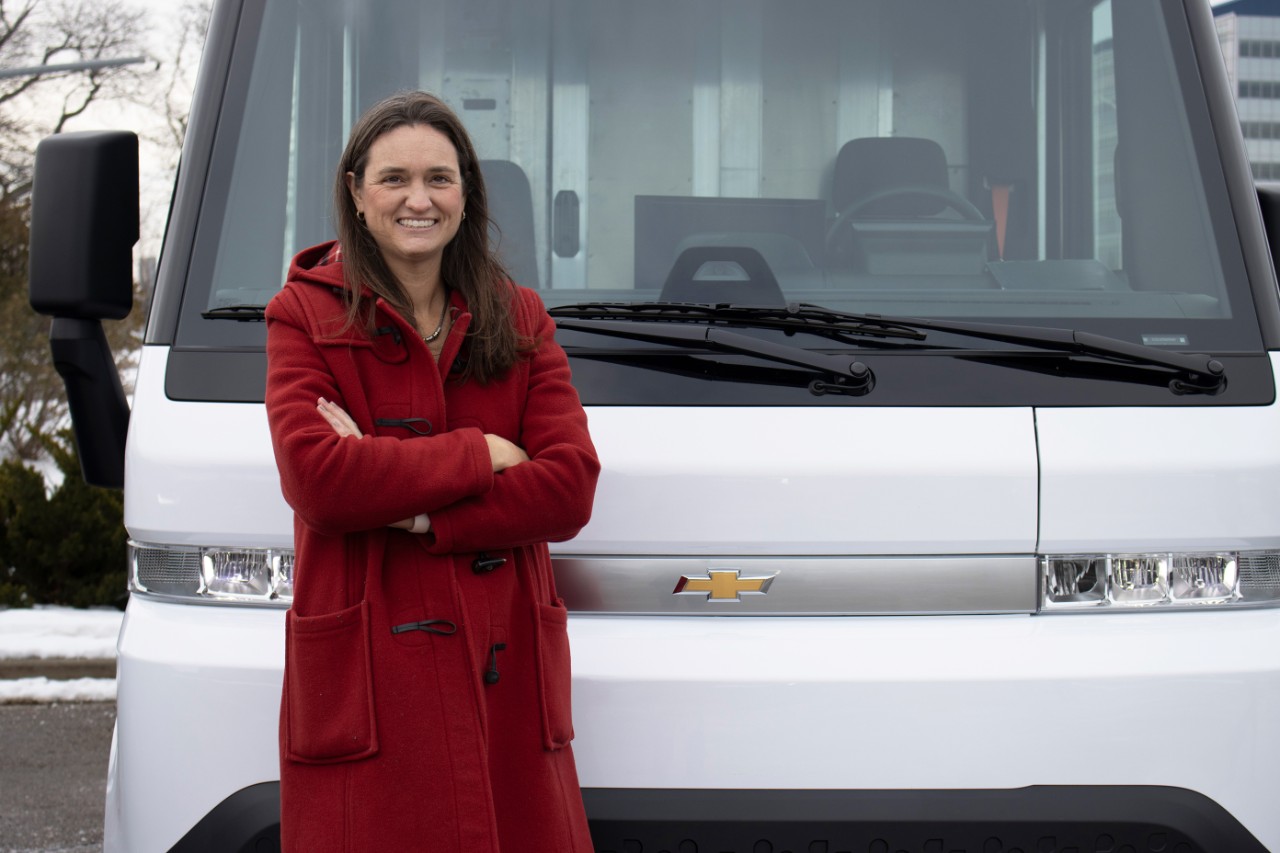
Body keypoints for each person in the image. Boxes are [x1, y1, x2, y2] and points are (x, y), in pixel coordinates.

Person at [263, 90, 600, 852]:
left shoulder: (521, 318)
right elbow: (320, 482)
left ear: (466, 192)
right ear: (355, 190)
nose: (419, 199)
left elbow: (571, 485)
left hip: (504, 662)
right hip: (368, 675)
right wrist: (482, 453)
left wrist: (415, 509)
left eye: (440, 179)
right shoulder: (301, 316)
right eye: (394, 179)